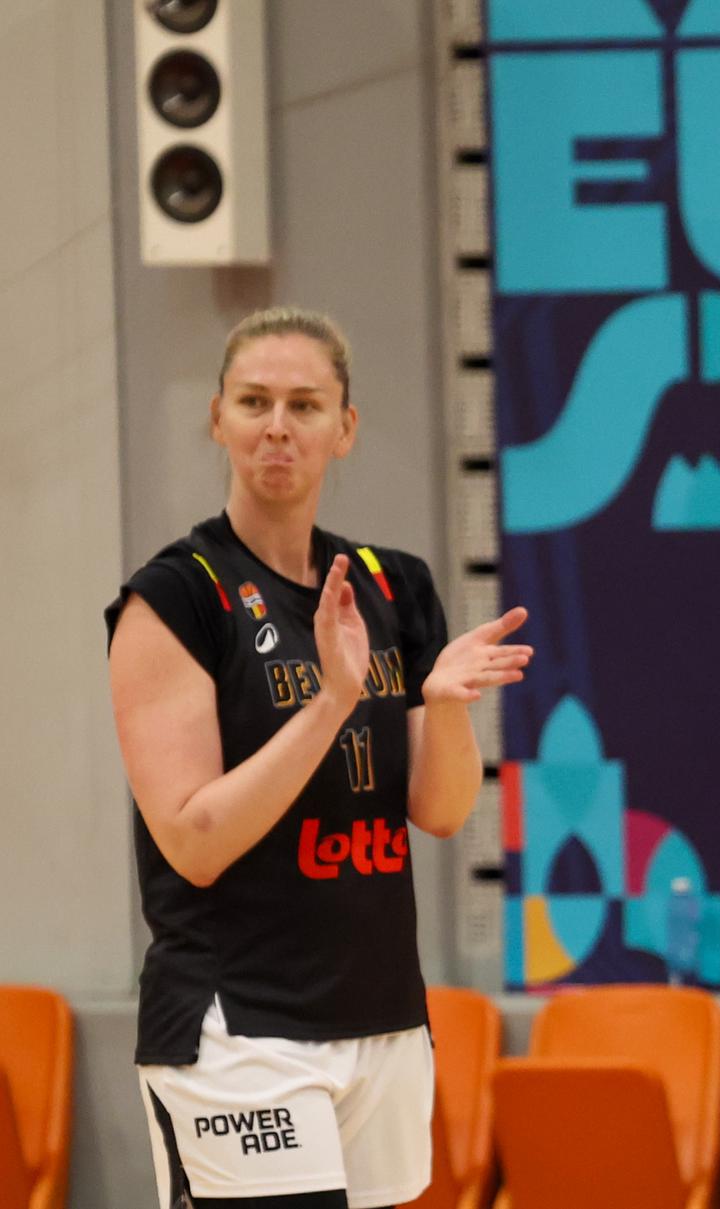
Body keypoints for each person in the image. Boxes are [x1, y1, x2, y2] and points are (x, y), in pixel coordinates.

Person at [106, 308, 533, 1209]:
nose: (277, 426)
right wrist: (333, 701)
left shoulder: (391, 583)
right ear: (217, 417)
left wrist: (448, 710)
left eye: (305, 404)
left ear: (345, 428)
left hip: (378, 1013)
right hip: (238, 1022)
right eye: (255, 401)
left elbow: (443, 810)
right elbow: (193, 840)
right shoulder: (175, 596)